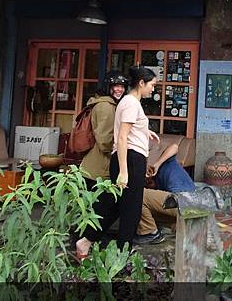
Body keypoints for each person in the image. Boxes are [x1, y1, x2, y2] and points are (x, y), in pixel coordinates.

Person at [76, 66, 159, 257]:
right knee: (131, 211)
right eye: (152, 85)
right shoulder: (131, 103)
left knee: (115, 206)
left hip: (130, 158)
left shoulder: (128, 102)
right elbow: (122, 137)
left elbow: (128, 129)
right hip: (130, 159)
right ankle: (122, 254)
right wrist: (124, 170)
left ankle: (86, 241)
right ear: (141, 83)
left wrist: (145, 131)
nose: (153, 89)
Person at [133, 143, 196, 244]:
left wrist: (157, 164)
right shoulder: (159, 187)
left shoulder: (165, 164)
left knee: (138, 194)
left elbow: (174, 146)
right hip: (184, 206)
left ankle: (150, 233)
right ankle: (178, 225)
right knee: (142, 207)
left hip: (185, 199)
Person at [79, 71, 128, 186]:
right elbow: (105, 141)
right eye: (116, 86)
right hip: (99, 169)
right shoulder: (106, 106)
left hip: (94, 168)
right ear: (108, 86)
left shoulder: (105, 103)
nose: (120, 89)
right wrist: (120, 149)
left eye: (122, 86)